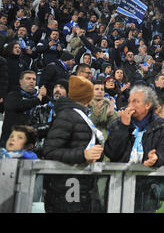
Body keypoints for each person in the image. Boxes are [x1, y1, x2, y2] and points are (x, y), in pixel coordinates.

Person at [43, 75, 105, 213]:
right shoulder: (67, 115)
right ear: (88, 97)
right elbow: (49, 151)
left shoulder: (80, 116)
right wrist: (82, 155)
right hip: (67, 186)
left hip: (82, 184)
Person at [104, 85, 164, 167]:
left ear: (148, 105)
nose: (130, 106)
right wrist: (123, 127)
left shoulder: (161, 125)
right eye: (129, 101)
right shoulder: (117, 123)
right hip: (120, 176)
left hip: (149, 176)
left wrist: (156, 158)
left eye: (135, 102)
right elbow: (112, 154)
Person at [1, 70, 47, 147]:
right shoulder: (13, 95)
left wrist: (44, 97)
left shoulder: (41, 97)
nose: (31, 81)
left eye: (34, 79)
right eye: (28, 78)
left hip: (32, 143)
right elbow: (18, 105)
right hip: (10, 140)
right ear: (20, 82)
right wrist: (38, 99)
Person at [30, 79, 68, 158]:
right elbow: (31, 130)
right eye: (55, 87)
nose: (57, 89)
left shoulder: (71, 112)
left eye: (61, 87)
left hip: (61, 155)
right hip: (40, 153)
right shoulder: (40, 109)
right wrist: (51, 126)